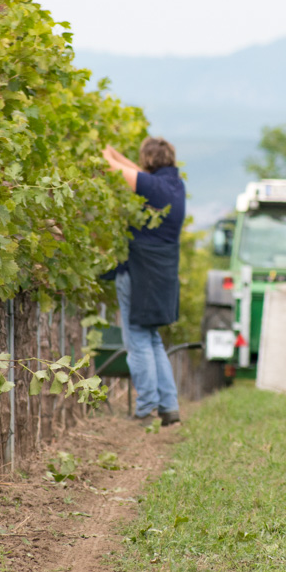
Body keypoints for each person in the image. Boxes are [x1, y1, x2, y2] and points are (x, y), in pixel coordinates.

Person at [102, 138, 185, 425]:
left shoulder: (151, 187)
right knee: (152, 339)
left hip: (139, 273)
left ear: (148, 160)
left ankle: (146, 408)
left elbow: (111, 168)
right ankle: (168, 406)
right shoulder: (173, 186)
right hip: (162, 277)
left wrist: (99, 152)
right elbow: (134, 170)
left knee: (136, 340)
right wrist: (112, 149)